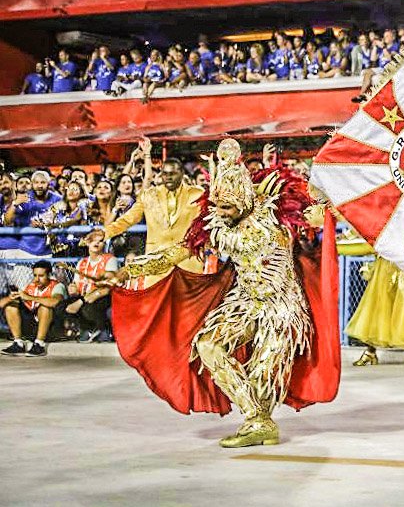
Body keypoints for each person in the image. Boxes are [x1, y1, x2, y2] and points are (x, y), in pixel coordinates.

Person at [109, 139, 339, 448]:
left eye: (227, 206)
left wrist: (338, 198)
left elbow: (323, 213)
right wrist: (132, 270)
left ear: (244, 198)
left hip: (282, 308)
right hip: (243, 302)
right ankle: (258, 420)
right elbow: (178, 252)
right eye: (218, 206)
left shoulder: (278, 216)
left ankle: (259, 420)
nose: (221, 211)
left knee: (263, 376)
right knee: (208, 345)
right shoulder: (216, 225)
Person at [103, 152, 205, 286]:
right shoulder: (149, 195)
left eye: (172, 173)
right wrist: (105, 233)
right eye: (165, 173)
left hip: (188, 263)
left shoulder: (198, 194)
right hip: (156, 264)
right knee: (155, 306)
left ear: (181, 173)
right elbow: (128, 219)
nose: (168, 177)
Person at [1, 260, 66, 357]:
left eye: (41, 276)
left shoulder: (57, 286)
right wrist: (10, 298)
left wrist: (29, 297)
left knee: (45, 307)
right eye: (35, 275)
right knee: (11, 306)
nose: (37, 279)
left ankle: (39, 344)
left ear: (49, 275)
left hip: (51, 327)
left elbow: (55, 302)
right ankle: (18, 343)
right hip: (32, 325)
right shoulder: (31, 286)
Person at [65, 228, 118, 342]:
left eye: (100, 241)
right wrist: (72, 288)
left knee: (88, 307)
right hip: (84, 295)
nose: (97, 243)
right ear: (87, 242)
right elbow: (76, 283)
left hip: (101, 296)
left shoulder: (110, 259)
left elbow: (107, 286)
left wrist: (82, 300)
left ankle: (103, 329)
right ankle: (86, 329)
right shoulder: (82, 262)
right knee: (62, 306)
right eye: (93, 240)